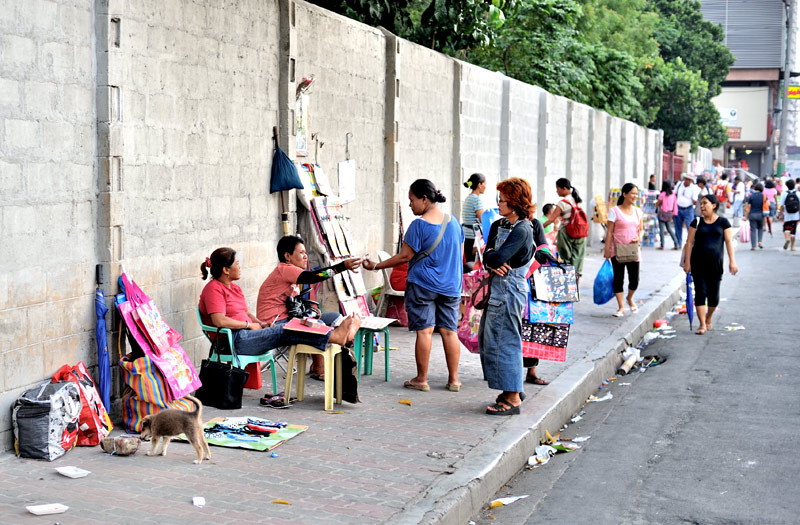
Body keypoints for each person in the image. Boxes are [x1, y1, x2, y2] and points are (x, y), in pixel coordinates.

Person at [362, 179, 464, 392]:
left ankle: (422, 379)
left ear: (424, 199)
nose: (410, 205)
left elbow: (404, 257)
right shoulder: (453, 222)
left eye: (412, 200)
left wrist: (376, 266)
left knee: (425, 332)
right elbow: (459, 253)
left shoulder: (419, 225)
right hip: (451, 286)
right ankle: (454, 380)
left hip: (423, 285)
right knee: (449, 332)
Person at [198, 247, 362, 370]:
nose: (240, 267)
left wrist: (261, 324)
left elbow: (245, 313)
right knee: (285, 329)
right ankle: (335, 336)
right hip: (235, 340)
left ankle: (333, 337)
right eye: (237, 264)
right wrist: (249, 325)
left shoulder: (234, 287)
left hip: (248, 334)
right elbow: (218, 320)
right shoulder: (214, 289)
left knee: (295, 326)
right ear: (226, 270)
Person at [257, 235, 362, 381]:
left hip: (289, 318)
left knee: (333, 317)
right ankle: (329, 354)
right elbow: (312, 277)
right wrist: (342, 266)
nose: (305, 257)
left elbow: (298, 305)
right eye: (301, 253)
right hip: (275, 323)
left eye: (306, 253)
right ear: (287, 256)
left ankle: (322, 361)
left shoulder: (291, 273)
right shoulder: (285, 269)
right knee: (316, 324)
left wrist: (312, 310)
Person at [479, 177, 537, 415]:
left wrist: (493, 257)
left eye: (502, 200)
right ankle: (509, 389)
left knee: (506, 342)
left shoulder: (523, 229)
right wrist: (492, 259)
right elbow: (488, 257)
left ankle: (513, 397)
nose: (498, 204)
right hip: (497, 289)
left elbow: (495, 256)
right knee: (491, 340)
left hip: (510, 291)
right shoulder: (499, 225)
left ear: (514, 202)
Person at [683, 194, 738, 335]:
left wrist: (732, 261)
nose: (701, 206)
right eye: (700, 204)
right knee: (700, 293)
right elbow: (689, 243)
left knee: (714, 298)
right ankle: (702, 324)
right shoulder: (696, 222)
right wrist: (687, 262)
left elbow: (728, 242)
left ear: (714, 205)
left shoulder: (723, 222)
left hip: (716, 265)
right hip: (698, 264)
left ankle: (709, 317)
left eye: (705, 203)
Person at [604, 183, 644, 317]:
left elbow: (641, 230)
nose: (635, 196)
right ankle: (621, 307)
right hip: (617, 250)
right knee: (618, 278)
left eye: (636, 194)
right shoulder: (614, 211)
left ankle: (629, 298)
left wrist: (639, 237)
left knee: (634, 280)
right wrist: (607, 249)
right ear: (624, 194)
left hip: (633, 250)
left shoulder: (638, 211)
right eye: (632, 193)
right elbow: (609, 232)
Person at [542, 178, 586, 280]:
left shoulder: (562, 203)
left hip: (567, 234)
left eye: (557, 188)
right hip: (580, 233)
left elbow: (551, 219)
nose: (557, 191)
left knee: (567, 260)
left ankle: (568, 284)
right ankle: (576, 287)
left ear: (564, 188)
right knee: (578, 260)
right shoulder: (577, 200)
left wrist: (537, 228)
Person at [462, 173, 486, 266]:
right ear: (479, 185)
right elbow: (482, 220)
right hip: (473, 239)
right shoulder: (476, 200)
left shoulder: (468, 198)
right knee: (472, 266)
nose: (485, 187)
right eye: (485, 184)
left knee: (468, 264)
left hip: (467, 236)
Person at [674, 173, 698, 247]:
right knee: (677, 226)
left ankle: (691, 243)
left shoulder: (693, 188)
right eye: (686, 179)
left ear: (691, 181)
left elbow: (695, 201)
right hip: (678, 208)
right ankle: (678, 243)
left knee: (690, 227)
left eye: (689, 180)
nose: (687, 181)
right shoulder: (679, 185)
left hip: (688, 209)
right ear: (684, 179)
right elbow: (674, 195)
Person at [656, 180, 679, 250]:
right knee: (669, 229)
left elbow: (658, 203)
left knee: (662, 229)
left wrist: (657, 203)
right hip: (669, 213)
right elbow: (675, 204)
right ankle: (676, 243)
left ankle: (662, 245)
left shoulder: (662, 194)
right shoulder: (673, 194)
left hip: (662, 213)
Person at [743, 182, 766, 250]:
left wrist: (745, 217)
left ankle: (753, 246)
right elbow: (766, 206)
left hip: (752, 215)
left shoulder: (751, 196)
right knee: (760, 228)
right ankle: (760, 242)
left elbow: (748, 208)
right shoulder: (763, 196)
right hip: (761, 215)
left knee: (753, 230)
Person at [780, 179, 799, 251]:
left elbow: (781, 205)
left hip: (787, 214)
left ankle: (787, 239)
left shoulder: (784, 194)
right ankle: (792, 246)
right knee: (793, 231)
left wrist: (780, 214)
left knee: (786, 228)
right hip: (796, 215)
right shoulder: (798, 193)